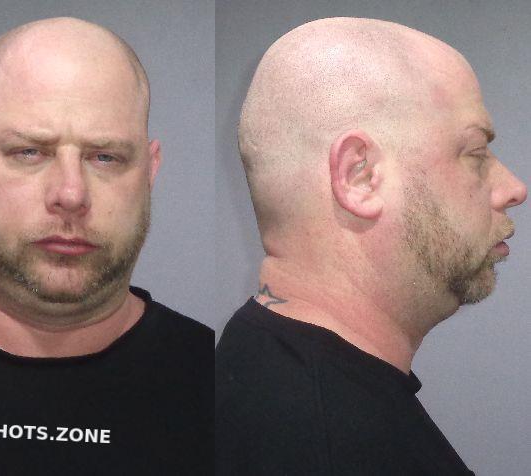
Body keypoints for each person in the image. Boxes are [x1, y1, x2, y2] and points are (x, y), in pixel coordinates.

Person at [0, 17, 212, 475]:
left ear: (149, 173)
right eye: (30, 151)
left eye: (104, 157)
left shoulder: (220, 380)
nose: (70, 193)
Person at [216, 17, 526, 475]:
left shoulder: (255, 364)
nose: (514, 189)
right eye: (476, 154)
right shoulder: (333, 446)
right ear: (359, 177)